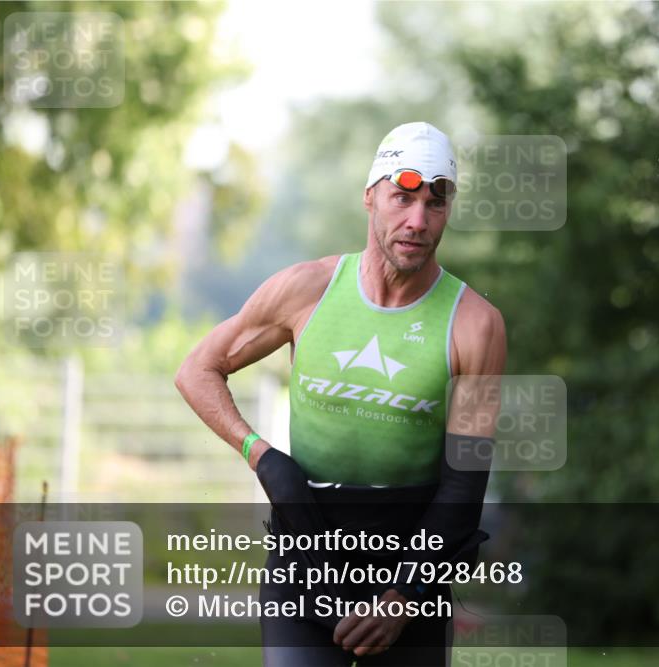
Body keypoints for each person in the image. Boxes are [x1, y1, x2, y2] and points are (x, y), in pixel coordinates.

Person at [175, 121, 507, 666]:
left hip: (413, 570)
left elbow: (464, 487)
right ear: (370, 196)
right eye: (402, 198)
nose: (418, 220)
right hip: (304, 562)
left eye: (435, 203)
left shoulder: (475, 325)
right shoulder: (308, 290)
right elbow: (197, 370)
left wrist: (404, 597)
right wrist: (261, 456)